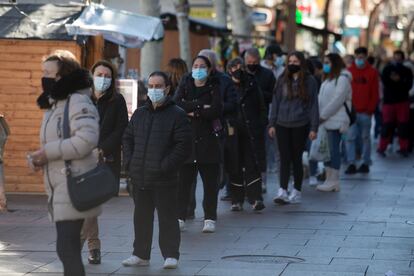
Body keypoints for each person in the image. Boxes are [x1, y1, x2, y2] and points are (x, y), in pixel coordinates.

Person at [32, 50, 101, 276]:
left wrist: (48, 152)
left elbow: (87, 139)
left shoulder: (78, 101)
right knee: (67, 248)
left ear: (63, 76)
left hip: (74, 182)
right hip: (59, 184)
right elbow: (55, 142)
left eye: (49, 73)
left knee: (67, 247)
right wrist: (37, 158)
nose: (44, 77)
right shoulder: (55, 105)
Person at [122, 71, 192, 269]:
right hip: (140, 176)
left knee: (168, 217)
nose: (154, 90)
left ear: (167, 89)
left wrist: (165, 166)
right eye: (151, 86)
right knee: (141, 217)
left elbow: (183, 146)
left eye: (158, 86)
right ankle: (140, 254)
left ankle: (171, 255)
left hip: (164, 178)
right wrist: (130, 162)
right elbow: (127, 137)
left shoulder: (177, 114)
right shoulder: (140, 113)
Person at [80, 60, 129, 265]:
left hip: (105, 160)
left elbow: (121, 130)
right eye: (99, 74)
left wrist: (101, 149)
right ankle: (94, 247)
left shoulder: (117, 101)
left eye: (107, 76)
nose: (103, 79)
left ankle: (81, 245)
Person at [174, 55, 223, 233]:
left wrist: (193, 110)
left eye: (202, 66)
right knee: (183, 184)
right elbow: (177, 104)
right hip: (188, 142)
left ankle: (210, 218)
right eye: (195, 65)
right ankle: (179, 217)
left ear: (209, 69)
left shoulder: (214, 86)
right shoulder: (185, 84)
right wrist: (201, 107)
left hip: (209, 142)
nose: (198, 69)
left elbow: (216, 109)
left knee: (211, 184)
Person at [268, 51, 319, 204]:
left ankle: (296, 190)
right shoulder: (282, 79)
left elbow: (313, 106)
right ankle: (282, 189)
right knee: (283, 158)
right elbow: (275, 102)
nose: (292, 64)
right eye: (290, 61)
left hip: (300, 124)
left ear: (301, 63)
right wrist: (272, 123)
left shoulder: (310, 81)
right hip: (281, 124)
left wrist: (314, 127)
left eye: (296, 61)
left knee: (296, 158)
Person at [226, 57, 267, 211]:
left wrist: (261, 123)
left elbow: (261, 106)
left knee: (252, 165)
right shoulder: (226, 85)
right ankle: (236, 200)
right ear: (229, 70)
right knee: (234, 165)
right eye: (235, 67)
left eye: (241, 66)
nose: (239, 70)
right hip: (232, 132)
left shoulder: (252, 83)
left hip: (251, 130)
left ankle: (256, 198)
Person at [316, 53, 352, 192]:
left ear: (335, 63)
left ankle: (334, 180)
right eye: (324, 62)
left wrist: (323, 115)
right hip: (324, 121)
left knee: (333, 150)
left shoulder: (342, 79)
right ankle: (328, 178)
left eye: (327, 62)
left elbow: (337, 100)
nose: (325, 65)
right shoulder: (328, 79)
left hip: (335, 120)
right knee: (327, 151)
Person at [245, 47, 276, 193]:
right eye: (249, 62)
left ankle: (262, 181)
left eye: (254, 62)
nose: (251, 64)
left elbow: (273, 95)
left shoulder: (267, 75)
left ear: (259, 61)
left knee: (261, 151)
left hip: (261, 118)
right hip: (244, 118)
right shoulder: (241, 74)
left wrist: (257, 92)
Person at [345, 47, 379, 174]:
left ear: (366, 57)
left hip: (366, 112)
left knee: (365, 138)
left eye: (362, 57)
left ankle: (365, 162)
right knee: (350, 138)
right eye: (358, 57)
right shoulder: (349, 71)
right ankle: (351, 163)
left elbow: (375, 93)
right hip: (352, 112)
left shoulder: (372, 72)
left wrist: (370, 109)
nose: (360, 59)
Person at [378, 50, 414, 157]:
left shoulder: (407, 71)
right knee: (386, 126)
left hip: (402, 102)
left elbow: (408, 85)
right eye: (396, 56)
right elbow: (385, 83)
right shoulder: (387, 69)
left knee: (403, 126)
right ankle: (382, 147)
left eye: (399, 56)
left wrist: (399, 81)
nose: (397, 58)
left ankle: (404, 148)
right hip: (389, 102)